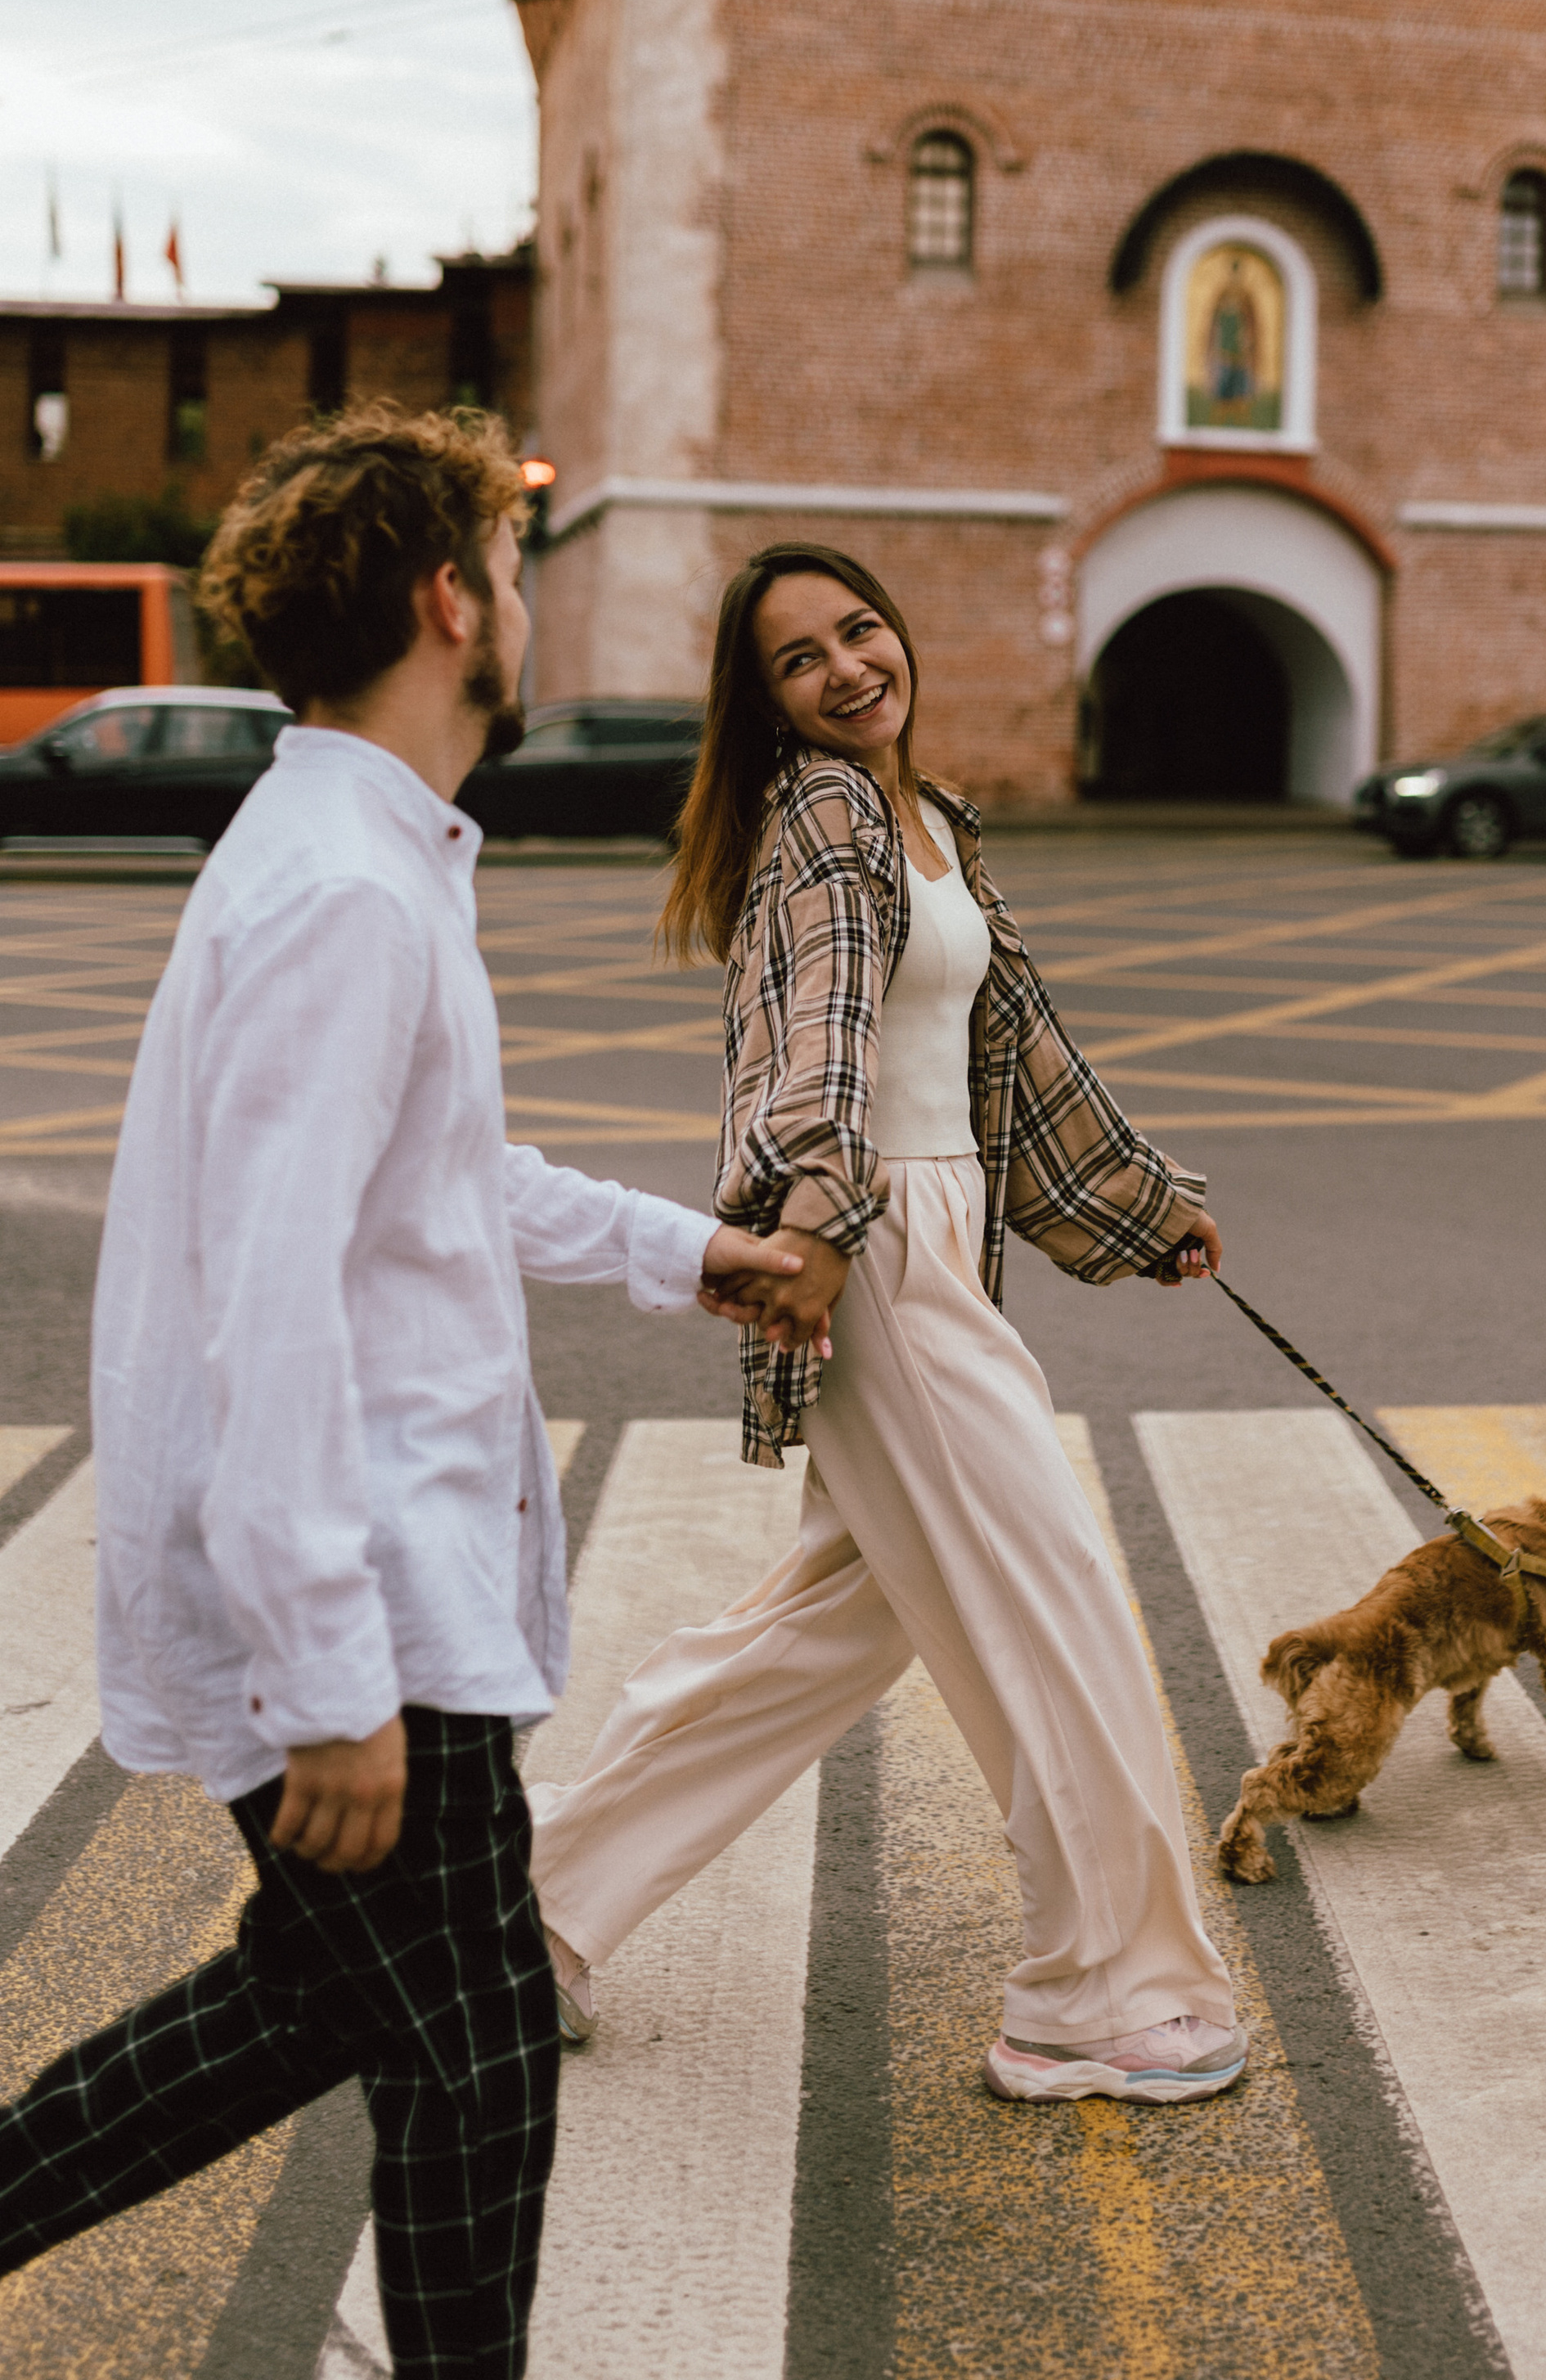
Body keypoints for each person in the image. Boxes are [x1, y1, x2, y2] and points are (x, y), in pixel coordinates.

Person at [0, 407, 805, 2380]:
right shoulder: (345, 894)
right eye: (512, 571)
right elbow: (262, 1300)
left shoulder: (364, 855)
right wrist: (328, 1670)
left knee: (329, 2006)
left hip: (374, 1581)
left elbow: (429, 1189)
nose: (522, 604)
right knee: (479, 2049)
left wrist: (687, 1252)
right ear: (452, 596)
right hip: (363, 1599)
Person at [528, 542, 1247, 2107]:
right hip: (882, 1255)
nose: (850, 668)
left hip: (922, 1241)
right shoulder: (829, 816)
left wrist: (1142, 1205)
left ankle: (532, 1920)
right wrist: (821, 1224)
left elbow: (1019, 1055)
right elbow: (827, 1043)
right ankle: (1092, 1997)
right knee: (1052, 1621)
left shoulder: (928, 820)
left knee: (818, 1637)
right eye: (801, 658)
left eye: (860, 630)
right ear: (765, 702)